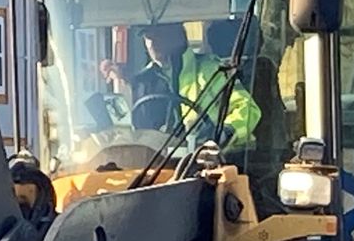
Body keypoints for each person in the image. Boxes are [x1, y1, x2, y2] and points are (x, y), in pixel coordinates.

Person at [99, 21, 261, 151]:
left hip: (213, 164)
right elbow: (132, 131)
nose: (152, 42)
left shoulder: (212, 70)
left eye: (159, 33)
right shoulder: (141, 81)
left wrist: (223, 134)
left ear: (178, 34)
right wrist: (123, 86)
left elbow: (248, 109)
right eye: (148, 36)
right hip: (156, 168)